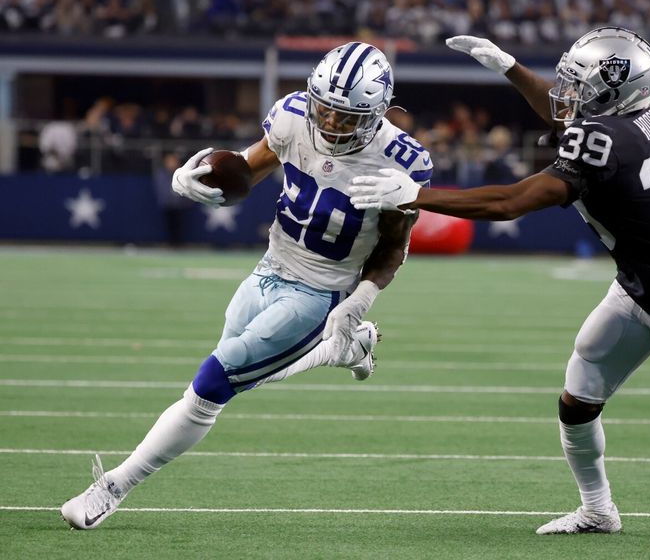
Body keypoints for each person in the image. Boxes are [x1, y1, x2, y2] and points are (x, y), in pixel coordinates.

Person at [348, 28, 650, 534]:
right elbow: (570, 115)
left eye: (579, 84)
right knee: (578, 395)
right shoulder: (636, 121)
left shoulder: (605, 138)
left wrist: (418, 195)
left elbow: (511, 202)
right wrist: (510, 68)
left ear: (611, 93)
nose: (568, 93)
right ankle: (598, 510)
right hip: (639, 285)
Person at [60, 42, 432, 529]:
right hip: (270, 265)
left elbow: (392, 247)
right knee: (235, 368)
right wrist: (201, 183)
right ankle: (342, 350)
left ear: (377, 113)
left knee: (212, 384)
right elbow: (250, 168)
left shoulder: (401, 160)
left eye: (346, 117)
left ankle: (113, 487)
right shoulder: (294, 115)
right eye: (325, 109)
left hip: (322, 291)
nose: (330, 124)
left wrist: (359, 301)